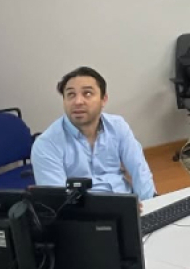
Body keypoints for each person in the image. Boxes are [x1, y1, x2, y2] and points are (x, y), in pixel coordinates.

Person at [31, 66, 156, 200]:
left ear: (104, 99)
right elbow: (58, 201)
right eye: (71, 95)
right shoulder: (46, 144)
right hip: (83, 210)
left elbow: (139, 170)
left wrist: (151, 204)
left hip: (126, 202)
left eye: (87, 93)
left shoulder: (118, 126)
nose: (78, 102)